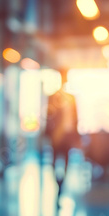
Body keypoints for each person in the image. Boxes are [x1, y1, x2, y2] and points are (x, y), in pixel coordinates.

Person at [45, 67, 81, 198]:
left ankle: (62, 184)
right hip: (56, 135)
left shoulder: (71, 98)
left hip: (68, 135)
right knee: (54, 160)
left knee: (66, 160)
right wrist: (47, 134)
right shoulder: (53, 97)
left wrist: (76, 136)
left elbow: (76, 118)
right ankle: (57, 182)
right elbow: (48, 116)